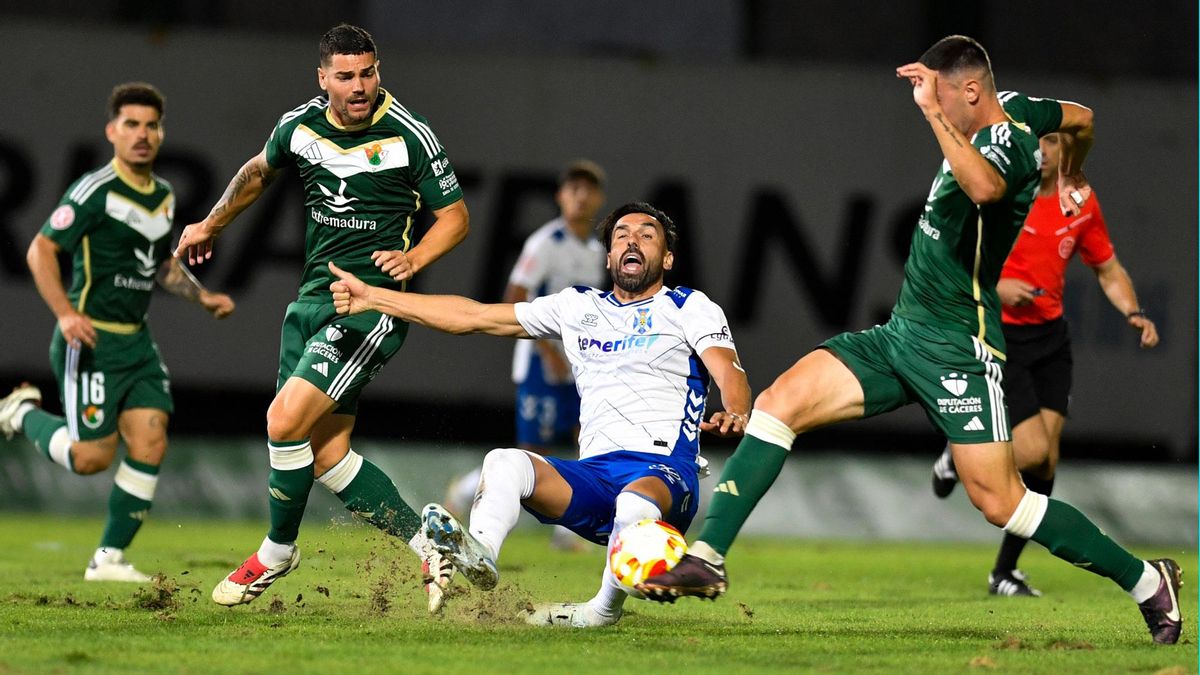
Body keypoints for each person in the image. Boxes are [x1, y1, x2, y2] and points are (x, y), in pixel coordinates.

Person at [638, 36, 1183, 646]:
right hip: (902, 334)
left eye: (945, 95)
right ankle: (708, 556)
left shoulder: (1012, 140)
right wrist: (1077, 165)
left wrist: (931, 112)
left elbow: (985, 190)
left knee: (1003, 502)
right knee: (777, 403)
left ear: (970, 92)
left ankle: (1146, 582)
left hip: (958, 346)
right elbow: (1082, 116)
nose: (937, 105)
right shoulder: (1023, 106)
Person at [327, 202, 751, 627]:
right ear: (608, 257)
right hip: (596, 479)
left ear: (667, 257)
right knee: (504, 461)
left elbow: (729, 371)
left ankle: (602, 610)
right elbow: (473, 317)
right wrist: (373, 297)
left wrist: (736, 410)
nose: (631, 240)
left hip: (665, 478)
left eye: (646, 234)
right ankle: (481, 554)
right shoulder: (578, 308)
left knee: (633, 500)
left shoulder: (688, 306)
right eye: (621, 234)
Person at [172, 24, 470, 612]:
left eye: (369, 73)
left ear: (378, 71)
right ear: (323, 78)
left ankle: (277, 551)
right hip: (311, 299)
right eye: (346, 76)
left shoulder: (410, 135)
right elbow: (258, 171)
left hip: (367, 304)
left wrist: (413, 258)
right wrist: (209, 224)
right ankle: (432, 544)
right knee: (328, 454)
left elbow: (455, 217)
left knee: (283, 422)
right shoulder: (300, 125)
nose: (360, 87)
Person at [0, 82, 236, 582]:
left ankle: (108, 559)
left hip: (137, 340)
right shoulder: (94, 190)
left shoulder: (165, 196)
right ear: (112, 131)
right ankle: (20, 414)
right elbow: (40, 250)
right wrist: (65, 313)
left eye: (151, 125)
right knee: (90, 459)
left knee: (150, 441)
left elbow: (158, 269)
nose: (142, 134)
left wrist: (203, 296)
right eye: (131, 124)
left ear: (161, 132)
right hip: (91, 340)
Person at [930, 131, 1160, 596]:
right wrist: (997, 290)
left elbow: (1107, 267)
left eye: (1053, 141)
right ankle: (960, 453)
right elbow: (946, 258)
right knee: (1032, 451)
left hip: (1051, 337)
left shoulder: (1079, 202)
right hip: (1000, 334)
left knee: (1046, 461)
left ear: (1066, 150)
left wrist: (1133, 311)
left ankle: (1004, 572)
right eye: (1039, 140)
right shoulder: (996, 189)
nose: (1044, 149)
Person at [443, 159, 607, 552]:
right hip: (541, 363)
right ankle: (467, 491)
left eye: (588, 190)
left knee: (592, 441)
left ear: (599, 198)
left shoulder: (597, 250)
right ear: (560, 196)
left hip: (581, 365)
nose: (580, 197)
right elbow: (514, 298)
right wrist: (547, 350)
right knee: (534, 453)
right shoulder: (545, 243)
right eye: (573, 189)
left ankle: (569, 532)